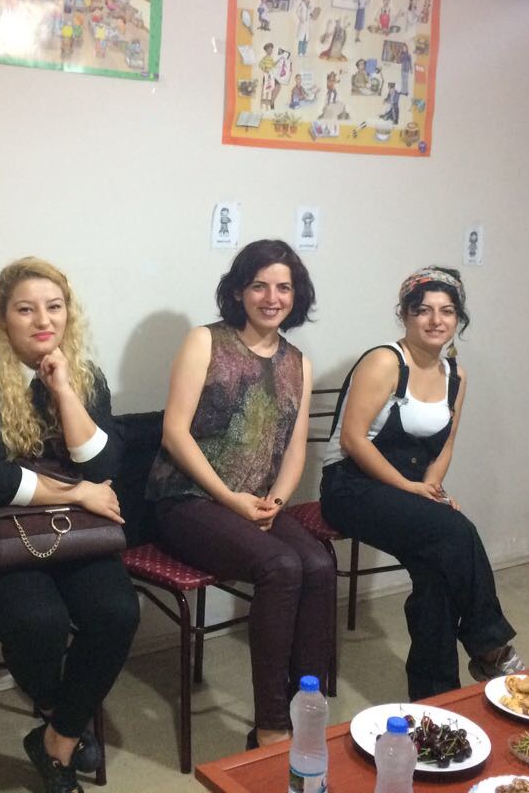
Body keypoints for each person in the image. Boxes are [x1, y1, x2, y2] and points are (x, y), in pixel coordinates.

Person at [0, 258, 137, 793]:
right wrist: (80, 493)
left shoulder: (85, 376)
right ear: (2, 318)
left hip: (71, 535)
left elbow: (104, 465)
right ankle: (59, 712)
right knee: (39, 620)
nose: (43, 320)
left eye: (55, 307)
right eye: (26, 309)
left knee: (117, 612)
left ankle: (58, 739)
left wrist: (65, 390)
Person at [147, 240, 334, 749]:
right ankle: (271, 727)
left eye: (283, 288)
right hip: (186, 500)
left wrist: (277, 500)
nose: (272, 298)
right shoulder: (205, 341)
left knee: (319, 565)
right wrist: (231, 499)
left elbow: (294, 447)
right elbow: (174, 434)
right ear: (237, 291)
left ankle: (307, 710)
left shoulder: (298, 362)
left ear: (297, 295)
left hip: (254, 504)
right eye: (259, 286)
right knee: (282, 565)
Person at [320, 266, 522, 700]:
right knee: (456, 530)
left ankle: (436, 696)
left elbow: (445, 444)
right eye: (423, 310)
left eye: (447, 311)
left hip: (409, 488)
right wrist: (408, 488)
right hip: (351, 486)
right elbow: (353, 439)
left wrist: (431, 488)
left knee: (437, 570)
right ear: (405, 315)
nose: (435, 320)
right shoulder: (384, 361)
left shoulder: (456, 376)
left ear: (458, 319)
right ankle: (490, 645)